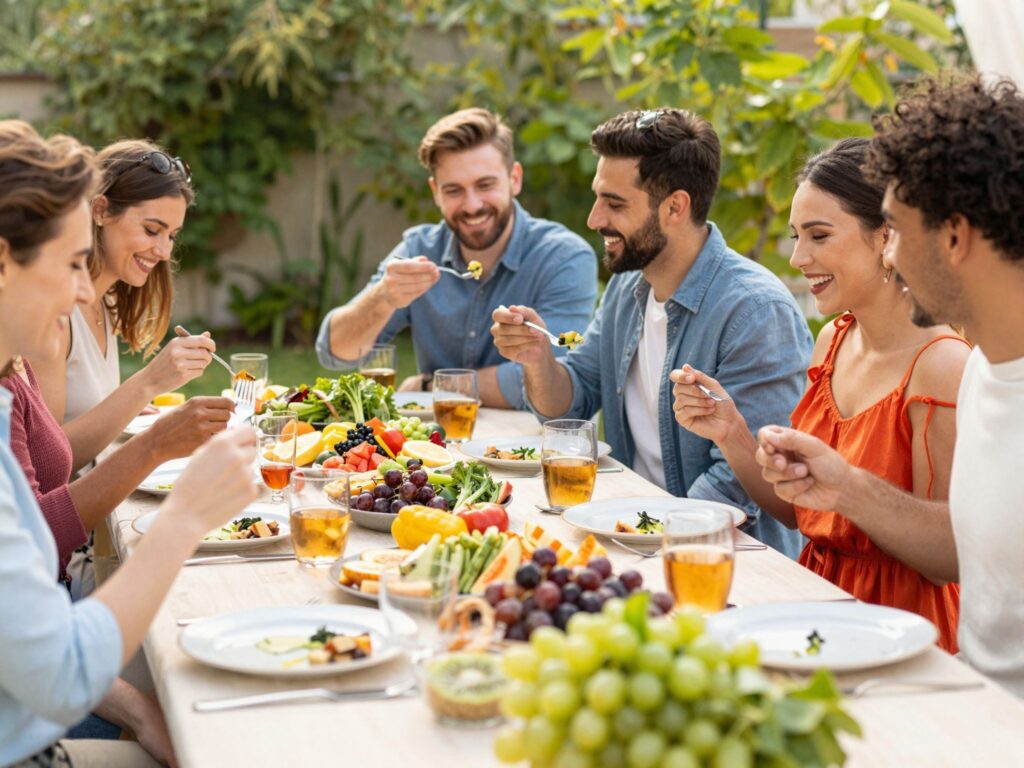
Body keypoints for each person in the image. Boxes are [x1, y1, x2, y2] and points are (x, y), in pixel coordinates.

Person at [753, 75, 1024, 696]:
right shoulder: (987, 375)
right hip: (945, 702)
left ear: (953, 237)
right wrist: (841, 485)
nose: (891, 254)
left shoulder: (954, 367)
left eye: (897, 229)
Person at [0, 120, 258, 766]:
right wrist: (184, 511)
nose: (85, 290)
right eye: (71, 262)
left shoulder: (7, 390)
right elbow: (58, 671)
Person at [671, 138, 969, 651]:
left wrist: (848, 486)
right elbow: (807, 513)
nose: (798, 257)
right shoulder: (833, 341)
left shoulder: (942, 366)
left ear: (886, 237)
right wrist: (731, 432)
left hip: (903, 632)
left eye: (819, 236)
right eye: (795, 236)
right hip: (816, 610)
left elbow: (951, 555)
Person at [491, 108, 812, 557]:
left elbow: (739, 481)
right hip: (632, 532)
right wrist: (538, 361)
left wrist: (632, 541)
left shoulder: (756, 311)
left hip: (719, 559)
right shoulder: (629, 285)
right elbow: (573, 400)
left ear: (675, 207)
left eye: (615, 203)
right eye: (597, 197)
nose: (593, 218)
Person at [316, 108, 597, 409]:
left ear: (514, 179)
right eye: (454, 190)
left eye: (485, 185)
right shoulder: (419, 249)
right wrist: (383, 296)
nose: (472, 205)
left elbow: (554, 379)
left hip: (535, 448)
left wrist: (430, 385)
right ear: (435, 192)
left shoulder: (564, 257)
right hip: (443, 450)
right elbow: (334, 352)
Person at [32, 138, 223, 472]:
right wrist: (146, 384)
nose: (164, 251)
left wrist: (124, 412)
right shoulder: (54, 316)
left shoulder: (104, 303)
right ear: (101, 210)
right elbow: (46, 468)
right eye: (152, 230)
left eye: (172, 235)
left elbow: (82, 414)